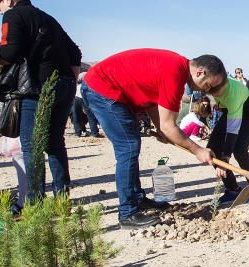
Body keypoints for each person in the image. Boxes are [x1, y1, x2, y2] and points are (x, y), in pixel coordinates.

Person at [83, 49, 224, 228]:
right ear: (200, 72)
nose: (208, 90)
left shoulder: (177, 68)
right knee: (128, 146)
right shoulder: (175, 74)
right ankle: (127, 213)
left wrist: (162, 130)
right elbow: (169, 125)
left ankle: (137, 199)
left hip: (106, 86)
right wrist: (198, 150)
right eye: (209, 85)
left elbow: (151, 101)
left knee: (131, 144)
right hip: (102, 88)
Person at [0, 0, 82, 199]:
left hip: (37, 89)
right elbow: (75, 53)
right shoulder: (48, 18)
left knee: (31, 146)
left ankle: (34, 203)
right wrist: (66, 80)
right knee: (54, 142)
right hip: (64, 87)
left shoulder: (12, 15)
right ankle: (62, 199)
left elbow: (10, 52)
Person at [207, 76, 249, 206]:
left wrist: (225, 159)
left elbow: (232, 131)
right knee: (212, 149)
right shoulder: (211, 82)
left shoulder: (232, 95)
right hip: (229, 111)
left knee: (239, 150)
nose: (214, 94)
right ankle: (232, 189)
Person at [71, 72, 101, 137]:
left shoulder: (82, 77)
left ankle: (78, 133)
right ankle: (94, 133)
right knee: (90, 115)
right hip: (83, 96)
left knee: (76, 115)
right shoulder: (89, 77)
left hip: (78, 96)